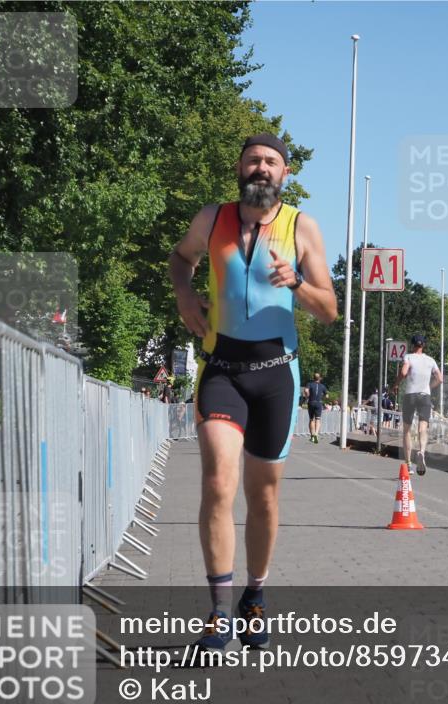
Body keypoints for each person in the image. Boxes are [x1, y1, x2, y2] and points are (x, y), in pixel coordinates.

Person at [169, 133, 337, 652]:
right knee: (219, 480)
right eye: (253, 161)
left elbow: (328, 310)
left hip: (276, 376)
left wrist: (296, 286)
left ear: (285, 173)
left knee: (263, 497)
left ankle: (255, 594)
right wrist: (185, 295)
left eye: (271, 162)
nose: (261, 168)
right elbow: (180, 258)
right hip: (222, 369)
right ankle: (219, 611)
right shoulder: (212, 218)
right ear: (240, 169)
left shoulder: (300, 226)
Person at [396, 333, 442, 475]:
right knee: (423, 427)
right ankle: (421, 451)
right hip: (424, 396)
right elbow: (440, 378)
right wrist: (429, 386)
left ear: (413, 344)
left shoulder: (408, 357)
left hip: (410, 395)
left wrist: (396, 384)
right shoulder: (431, 360)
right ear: (424, 345)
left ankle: (409, 464)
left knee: (407, 430)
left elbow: (404, 372)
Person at [305, 373, 327, 443]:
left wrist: (307, 396)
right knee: (318, 419)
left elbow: (306, 390)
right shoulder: (322, 386)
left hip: (311, 402)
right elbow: (327, 396)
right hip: (319, 403)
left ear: (313, 378)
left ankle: (312, 436)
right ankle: (316, 435)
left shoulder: (309, 384)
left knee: (311, 419)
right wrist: (322, 396)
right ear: (319, 378)